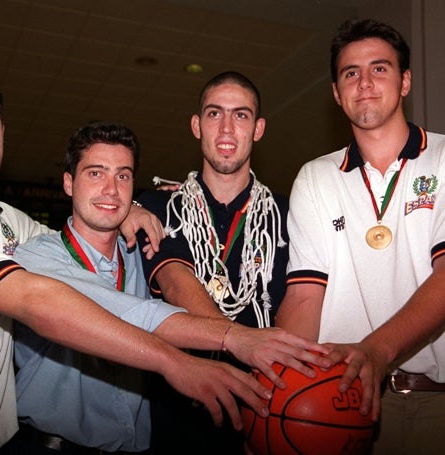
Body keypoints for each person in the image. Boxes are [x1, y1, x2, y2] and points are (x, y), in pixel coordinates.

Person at [0, 63, 287, 455]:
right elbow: (42, 298)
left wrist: (128, 209)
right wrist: (195, 351)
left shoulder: (11, 227)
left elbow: (79, 239)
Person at [10, 121, 330, 454]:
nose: (110, 189)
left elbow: (199, 275)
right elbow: (129, 313)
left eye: (123, 176)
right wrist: (232, 336)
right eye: (95, 173)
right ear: (68, 183)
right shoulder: (37, 257)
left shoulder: (141, 256)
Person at [276, 19, 445, 454]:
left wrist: (376, 352)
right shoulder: (315, 178)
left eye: (379, 69)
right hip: (345, 410)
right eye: (350, 73)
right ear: (337, 93)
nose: (364, 83)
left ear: (405, 82)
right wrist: (276, 393)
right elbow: (305, 298)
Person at [128, 71, 289, 454]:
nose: (228, 128)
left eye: (242, 115)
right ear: (197, 126)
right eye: (215, 114)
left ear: (259, 127)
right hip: (175, 418)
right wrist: (240, 345)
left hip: (265, 408)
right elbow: (173, 279)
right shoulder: (157, 207)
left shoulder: (288, 217)